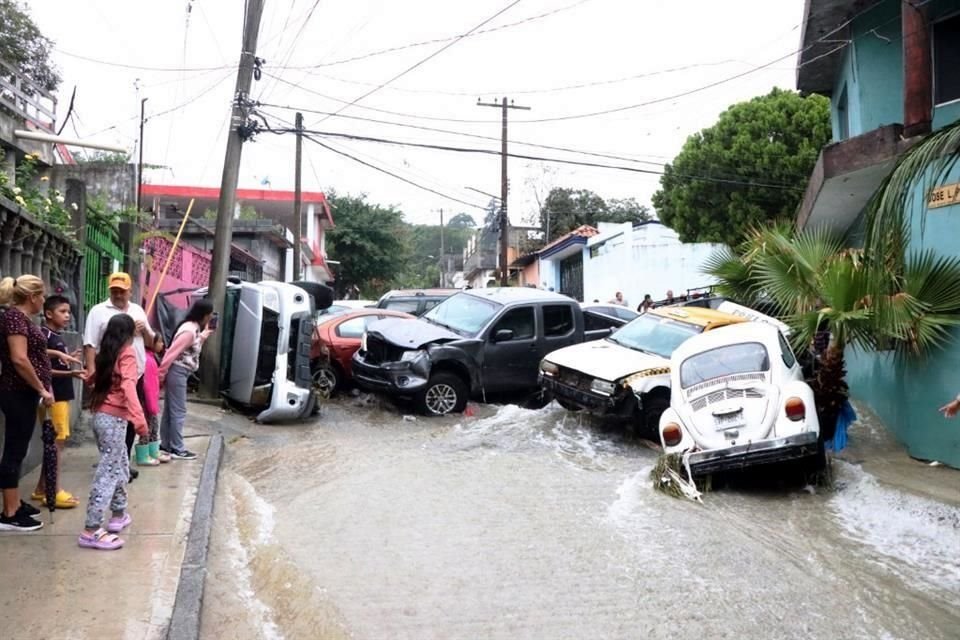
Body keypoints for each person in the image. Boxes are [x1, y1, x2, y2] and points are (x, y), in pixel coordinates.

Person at [84, 273, 163, 480]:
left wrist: (144, 329)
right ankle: (111, 463)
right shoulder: (98, 311)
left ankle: (123, 462)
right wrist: (91, 370)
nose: (118, 294)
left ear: (130, 291)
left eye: (122, 290)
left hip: (136, 374)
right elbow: (90, 344)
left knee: (127, 423)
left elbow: (151, 342)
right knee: (111, 417)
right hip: (110, 375)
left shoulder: (137, 310)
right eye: (114, 290)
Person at [79, 314, 147, 550]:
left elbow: (93, 380)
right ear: (130, 334)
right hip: (115, 418)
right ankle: (91, 529)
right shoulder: (127, 353)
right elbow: (129, 385)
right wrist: (140, 420)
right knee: (108, 471)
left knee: (119, 464)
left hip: (100, 416)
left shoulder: (106, 353)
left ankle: (118, 514)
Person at [0, 275, 52, 532]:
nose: (44, 301)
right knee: (14, 450)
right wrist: (41, 387)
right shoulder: (14, 319)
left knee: (18, 449)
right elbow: (20, 359)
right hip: (16, 392)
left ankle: (14, 504)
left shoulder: (21, 320)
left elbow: (33, 354)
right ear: (33, 297)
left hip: (24, 393)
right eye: (42, 296)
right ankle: (9, 513)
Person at [32, 295, 85, 508]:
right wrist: (70, 374)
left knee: (54, 445)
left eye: (68, 312)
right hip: (54, 397)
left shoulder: (57, 336)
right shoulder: (44, 335)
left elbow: (52, 363)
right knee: (55, 444)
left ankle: (41, 488)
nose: (67, 316)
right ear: (48, 313)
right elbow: (40, 364)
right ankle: (53, 491)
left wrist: (67, 358)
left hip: (61, 396)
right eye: (62, 311)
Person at [158, 299, 214, 460]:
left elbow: (191, 346)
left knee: (171, 410)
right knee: (178, 411)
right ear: (203, 316)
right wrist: (161, 373)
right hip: (177, 372)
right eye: (209, 316)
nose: (210, 319)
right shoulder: (189, 331)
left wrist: (203, 336)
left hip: (179, 372)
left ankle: (167, 444)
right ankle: (177, 448)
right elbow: (171, 353)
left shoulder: (193, 329)